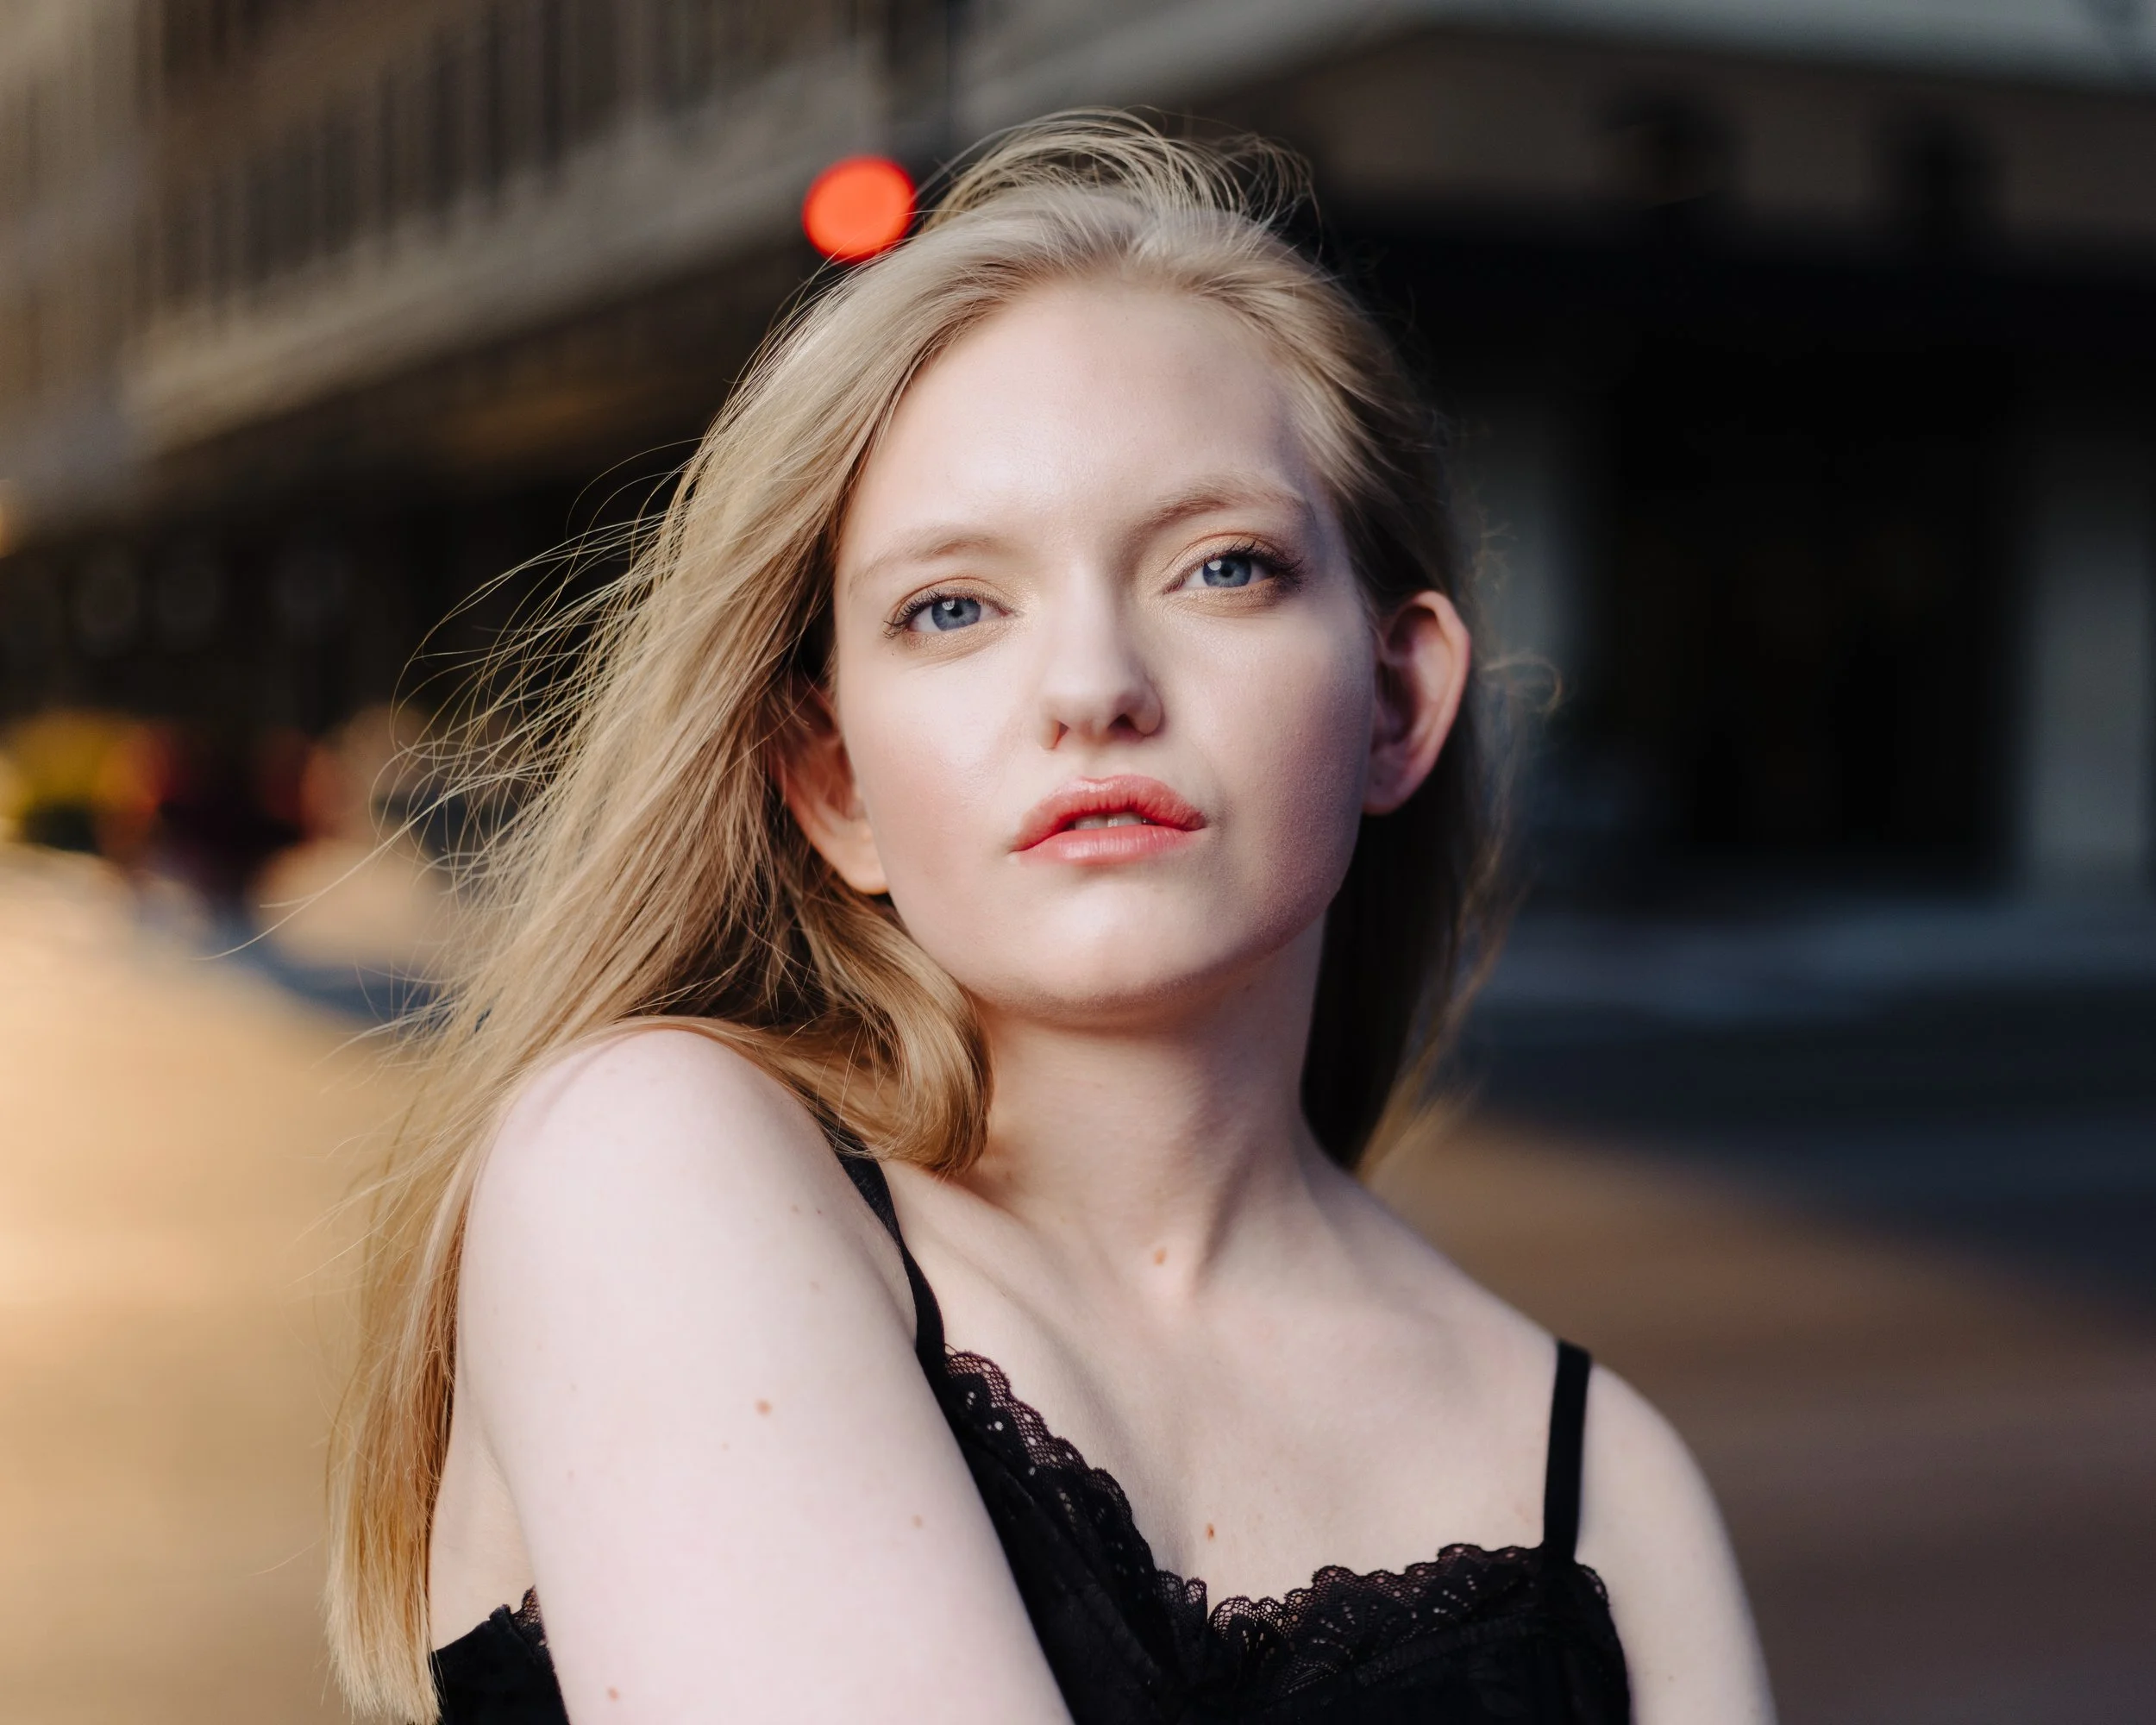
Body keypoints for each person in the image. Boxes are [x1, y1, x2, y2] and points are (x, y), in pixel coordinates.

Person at [328, 114, 1774, 1725]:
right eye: (954, 608)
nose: (1093, 688)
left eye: (1219, 568)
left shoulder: (1615, 1494)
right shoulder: (649, 1157)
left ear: (1396, 696)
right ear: (833, 784)